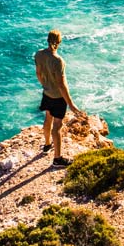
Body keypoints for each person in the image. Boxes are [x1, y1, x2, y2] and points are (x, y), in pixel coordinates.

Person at [35, 29, 84, 167]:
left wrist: (45, 85)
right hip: (58, 97)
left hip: (47, 93)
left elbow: (38, 73)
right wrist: (71, 104)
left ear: (47, 40)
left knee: (47, 118)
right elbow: (62, 85)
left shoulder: (39, 54)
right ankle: (57, 159)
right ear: (59, 42)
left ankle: (46, 145)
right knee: (57, 126)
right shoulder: (58, 61)